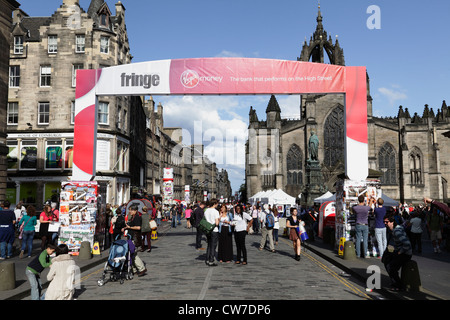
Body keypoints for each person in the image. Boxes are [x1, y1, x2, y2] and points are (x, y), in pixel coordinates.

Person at [384, 214, 412, 291]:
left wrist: (400, 251)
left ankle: (399, 285)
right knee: (386, 261)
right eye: (384, 222)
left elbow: (407, 244)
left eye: (387, 222)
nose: (385, 223)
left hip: (405, 254)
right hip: (401, 251)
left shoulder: (397, 231)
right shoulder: (395, 229)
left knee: (391, 266)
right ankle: (394, 282)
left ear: (392, 222)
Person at [122, 205, 147, 276]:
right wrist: (126, 228)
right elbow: (131, 227)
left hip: (135, 238)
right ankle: (134, 269)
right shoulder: (132, 217)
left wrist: (130, 227)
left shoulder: (137, 218)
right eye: (129, 210)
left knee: (133, 253)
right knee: (131, 253)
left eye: (131, 210)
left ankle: (142, 268)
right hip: (131, 237)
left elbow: (138, 227)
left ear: (135, 211)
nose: (130, 211)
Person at [204, 199, 220, 266]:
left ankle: (207, 259)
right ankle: (211, 260)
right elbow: (216, 223)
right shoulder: (215, 211)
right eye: (217, 204)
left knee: (209, 245)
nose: (217, 205)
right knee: (213, 245)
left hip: (208, 229)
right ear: (215, 203)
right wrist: (219, 218)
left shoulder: (206, 210)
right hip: (214, 230)